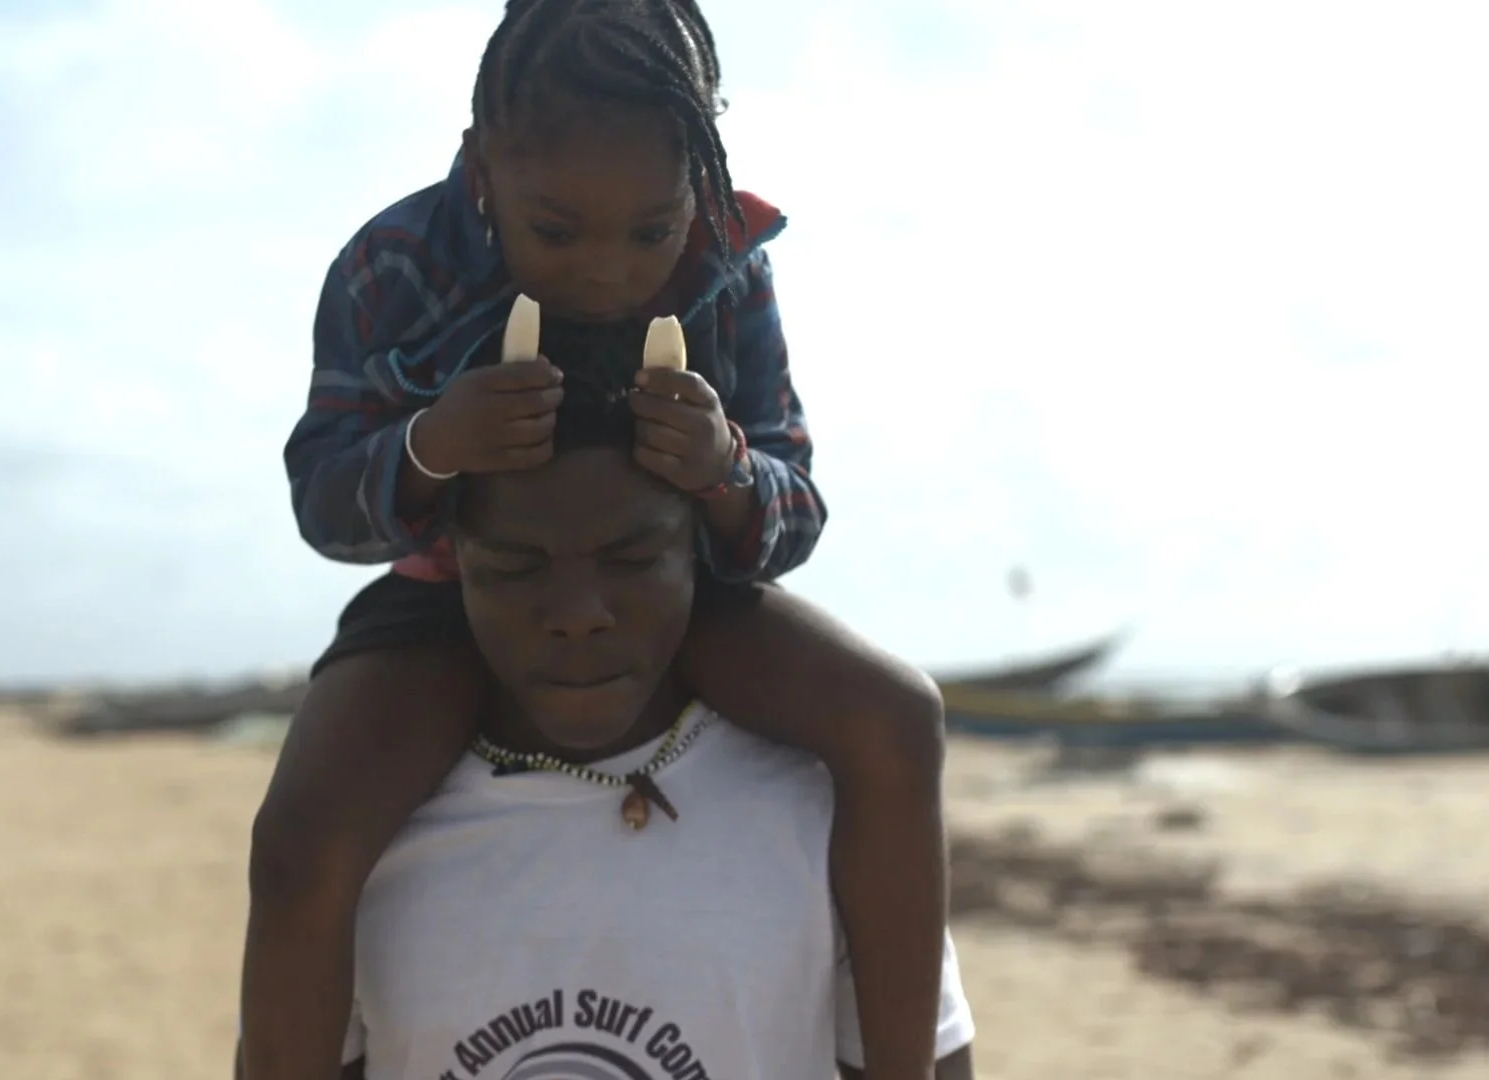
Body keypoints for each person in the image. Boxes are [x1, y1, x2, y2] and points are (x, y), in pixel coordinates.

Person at [241, 2, 948, 1077]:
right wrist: (433, 445)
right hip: (445, 593)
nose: (609, 271)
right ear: (480, 168)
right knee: (301, 846)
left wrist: (723, 468)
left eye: (651, 231)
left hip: (673, 584)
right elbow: (322, 498)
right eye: (557, 231)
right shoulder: (392, 267)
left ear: (701, 186)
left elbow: (793, 509)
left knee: (900, 722)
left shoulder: (732, 265)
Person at [245, 327, 975, 1079]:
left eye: (630, 560)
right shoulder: (353, 843)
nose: (577, 612)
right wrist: (431, 444)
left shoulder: (833, 820)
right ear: (452, 556)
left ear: (696, 546)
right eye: (516, 566)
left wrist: (726, 465)